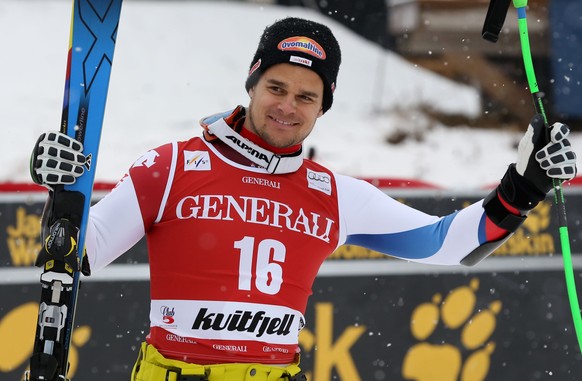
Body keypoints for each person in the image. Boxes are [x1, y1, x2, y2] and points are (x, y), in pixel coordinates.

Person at [30, 17, 577, 381]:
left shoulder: (334, 195)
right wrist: (61, 193)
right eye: (276, 87)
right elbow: (76, 256)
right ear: (252, 84)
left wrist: (524, 185)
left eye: (306, 96)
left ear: (323, 107)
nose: (287, 106)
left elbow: (451, 245)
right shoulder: (171, 167)